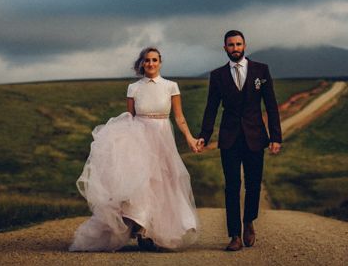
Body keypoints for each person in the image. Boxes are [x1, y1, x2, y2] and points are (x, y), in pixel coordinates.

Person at [69, 47, 200, 252]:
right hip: (139, 138)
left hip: (163, 137)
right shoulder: (134, 88)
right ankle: (141, 229)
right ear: (142, 63)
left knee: (164, 183)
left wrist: (190, 138)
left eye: (154, 60)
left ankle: (154, 232)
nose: (150, 64)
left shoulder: (170, 86)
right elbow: (129, 117)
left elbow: (180, 117)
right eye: (147, 60)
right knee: (142, 185)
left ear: (160, 62)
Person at [195, 30, 282, 251]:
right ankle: (234, 235)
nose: (235, 48)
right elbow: (211, 108)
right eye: (231, 45)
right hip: (230, 137)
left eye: (238, 44)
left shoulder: (261, 71)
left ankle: (248, 222)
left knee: (253, 185)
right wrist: (204, 136)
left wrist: (275, 137)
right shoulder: (218, 76)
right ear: (225, 48)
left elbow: (271, 106)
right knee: (232, 186)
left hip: (255, 137)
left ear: (245, 45)